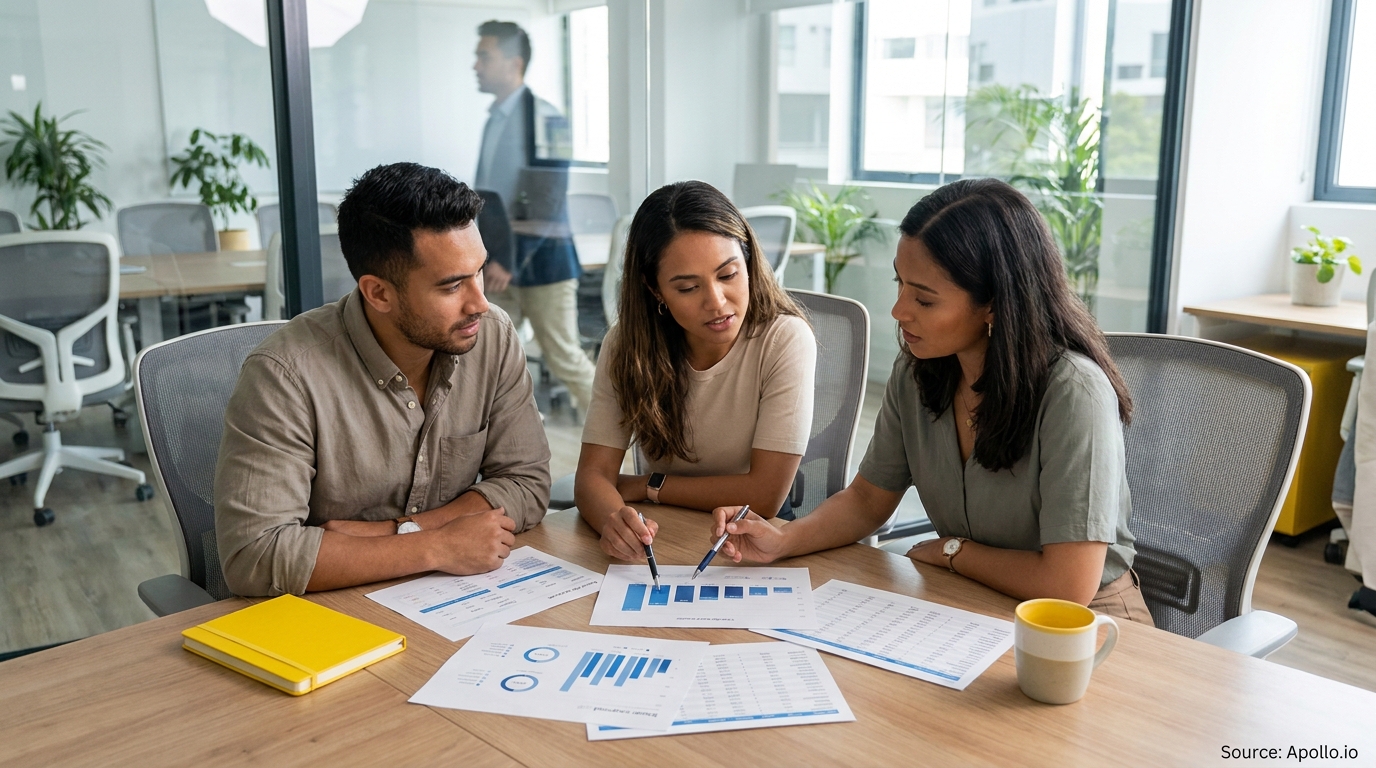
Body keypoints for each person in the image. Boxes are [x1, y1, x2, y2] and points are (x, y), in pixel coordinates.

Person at [707, 178, 1153, 624]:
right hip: (971, 602)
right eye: (901, 284)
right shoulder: (920, 370)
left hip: (1086, 623)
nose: (900, 311)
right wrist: (784, 540)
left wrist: (955, 552)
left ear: (993, 305)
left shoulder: (1074, 392)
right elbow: (867, 500)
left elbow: (1067, 586)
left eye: (924, 298)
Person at [214, 162, 551, 597]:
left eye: (479, 271)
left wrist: (401, 531)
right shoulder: (285, 375)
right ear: (378, 293)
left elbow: (527, 482)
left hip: (454, 598)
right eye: (452, 287)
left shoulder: (492, 336)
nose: (480, 303)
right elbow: (255, 556)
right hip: (333, 613)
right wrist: (434, 547)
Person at [576, 180, 817, 562]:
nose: (717, 302)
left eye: (728, 275)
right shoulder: (627, 345)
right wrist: (614, 520)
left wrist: (650, 486)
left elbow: (765, 494)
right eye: (688, 288)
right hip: (661, 530)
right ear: (655, 290)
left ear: (749, 259)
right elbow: (593, 477)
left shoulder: (785, 338)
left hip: (750, 532)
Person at [471, 19, 596, 412]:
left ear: (514, 63)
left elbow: (548, 198)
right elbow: (492, 196)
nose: (475, 65)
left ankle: (631, 439)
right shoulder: (494, 119)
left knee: (563, 357)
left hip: (543, 264)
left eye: (483, 56)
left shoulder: (549, 118)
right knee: (492, 359)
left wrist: (510, 258)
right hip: (498, 265)